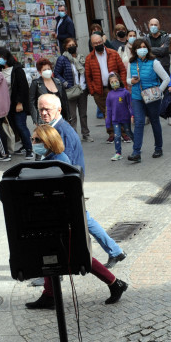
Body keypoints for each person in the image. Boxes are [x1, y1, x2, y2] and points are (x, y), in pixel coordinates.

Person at [24, 124, 128, 308]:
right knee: (54, 254)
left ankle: (115, 283)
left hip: (66, 218)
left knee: (75, 255)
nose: (33, 143)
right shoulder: (52, 159)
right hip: (61, 218)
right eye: (32, 139)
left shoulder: (57, 162)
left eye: (37, 140)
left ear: (48, 141)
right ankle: (50, 295)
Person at [127, 39, 170, 162]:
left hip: (152, 97)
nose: (142, 49)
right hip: (137, 96)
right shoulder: (132, 63)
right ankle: (136, 152)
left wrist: (159, 91)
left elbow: (166, 78)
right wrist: (132, 81)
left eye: (144, 46)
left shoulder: (154, 62)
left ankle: (158, 148)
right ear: (135, 50)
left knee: (154, 121)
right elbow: (127, 79)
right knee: (139, 122)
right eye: (139, 47)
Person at [84, 32, 127, 141]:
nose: (98, 44)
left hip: (115, 89)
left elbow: (122, 70)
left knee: (119, 110)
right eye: (95, 43)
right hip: (100, 91)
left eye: (100, 42)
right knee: (107, 113)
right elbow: (88, 76)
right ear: (92, 45)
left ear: (103, 41)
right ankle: (111, 133)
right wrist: (93, 90)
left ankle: (123, 132)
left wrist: (123, 86)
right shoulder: (89, 58)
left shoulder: (113, 53)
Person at [0, 47, 33, 159]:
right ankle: (23, 145)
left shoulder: (17, 70)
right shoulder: (0, 71)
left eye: (0, 57)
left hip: (17, 104)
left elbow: (23, 88)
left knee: (21, 125)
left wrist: (20, 103)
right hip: (7, 105)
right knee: (14, 126)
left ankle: (29, 149)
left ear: (7, 57)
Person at [54, 37, 91, 142]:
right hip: (70, 90)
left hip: (82, 89)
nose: (72, 47)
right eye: (69, 46)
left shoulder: (81, 58)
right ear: (65, 47)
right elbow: (56, 73)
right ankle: (74, 136)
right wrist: (65, 83)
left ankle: (86, 134)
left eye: (73, 45)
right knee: (72, 115)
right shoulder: (62, 59)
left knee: (83, 114)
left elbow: (85, 73)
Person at [146, 18, 171, 125]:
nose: (153, 26)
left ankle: (170, 116)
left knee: (168, 90)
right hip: (151, 68)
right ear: (148, 26)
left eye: (155, 24)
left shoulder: (165, 37)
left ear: (159, 26)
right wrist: (158, 49)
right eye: (151, 24)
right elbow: (147, 51)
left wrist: (151, 49)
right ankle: (149, 115)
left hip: (164, 66)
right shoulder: (146, 37)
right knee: (151, 90)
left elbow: (165, 50)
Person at [28, 58, 70, 126]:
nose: (47, 71)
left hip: (59, 117)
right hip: (44, 119)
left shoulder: (58, 82)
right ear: (40, 72)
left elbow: (65, 101)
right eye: (44, 70)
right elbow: (32, 102)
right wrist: (36, 121)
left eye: (49, 69)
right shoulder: (36, 84)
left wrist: (68, 118)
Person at [105, 72, 132, 161]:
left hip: (125, 118)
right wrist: (108, 122)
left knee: (129, 133)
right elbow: (108, 109)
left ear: (119, 81)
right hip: (115, 119)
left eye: (115, 81)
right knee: (117, 136)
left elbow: (130, 105)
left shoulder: (125, 92)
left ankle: (137, 147)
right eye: (111, 82)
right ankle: (118, 153)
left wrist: (132, 115)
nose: (114, 83)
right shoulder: (110, 94)